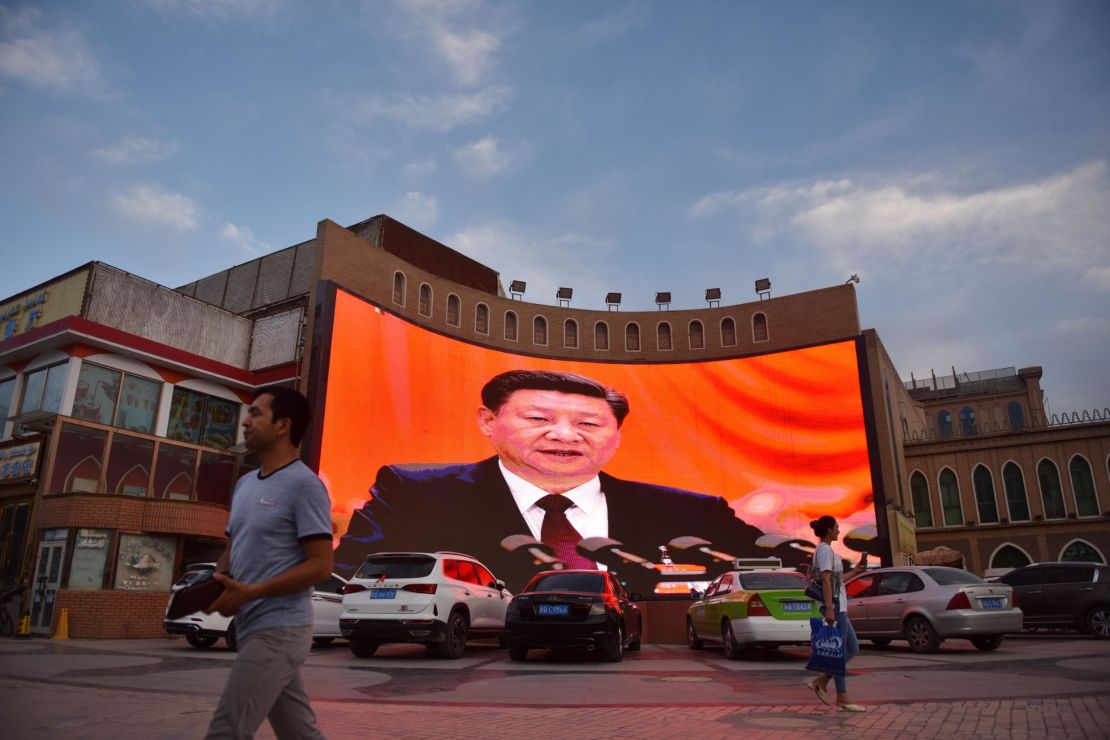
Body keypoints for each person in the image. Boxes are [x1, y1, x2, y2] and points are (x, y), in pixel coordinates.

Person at [333, 369, 801, 592]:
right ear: (487, 420)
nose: (563, 435)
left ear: (617, 436)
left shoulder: (690, 511)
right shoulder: (415, 492)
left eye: (589, 424)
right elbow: (347, 576)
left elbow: (766, 570)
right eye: (538, 417)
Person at [204, 386, 333, 740]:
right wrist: (215, 583)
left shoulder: (304, 486)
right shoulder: (245, 484)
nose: (245, 421)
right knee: (299, 734)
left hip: (280, 629)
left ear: (283, 426)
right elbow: (234, 546)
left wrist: (252, 592)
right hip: (251, 627)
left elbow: (321, 565)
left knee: (226, 730)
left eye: (256, 413)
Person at [804, 515, 868, 712]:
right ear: (830, 530)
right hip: (835, 605)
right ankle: (842, 697)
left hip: (838, 604)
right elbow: (825, 579)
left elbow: (835, 581)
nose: (839, 530)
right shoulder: (824, 550)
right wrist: (830, 607)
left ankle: (822, 681)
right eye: (837, 527)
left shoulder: (827, 550)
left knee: (852, 648)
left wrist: (856, 571)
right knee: (842, 650)